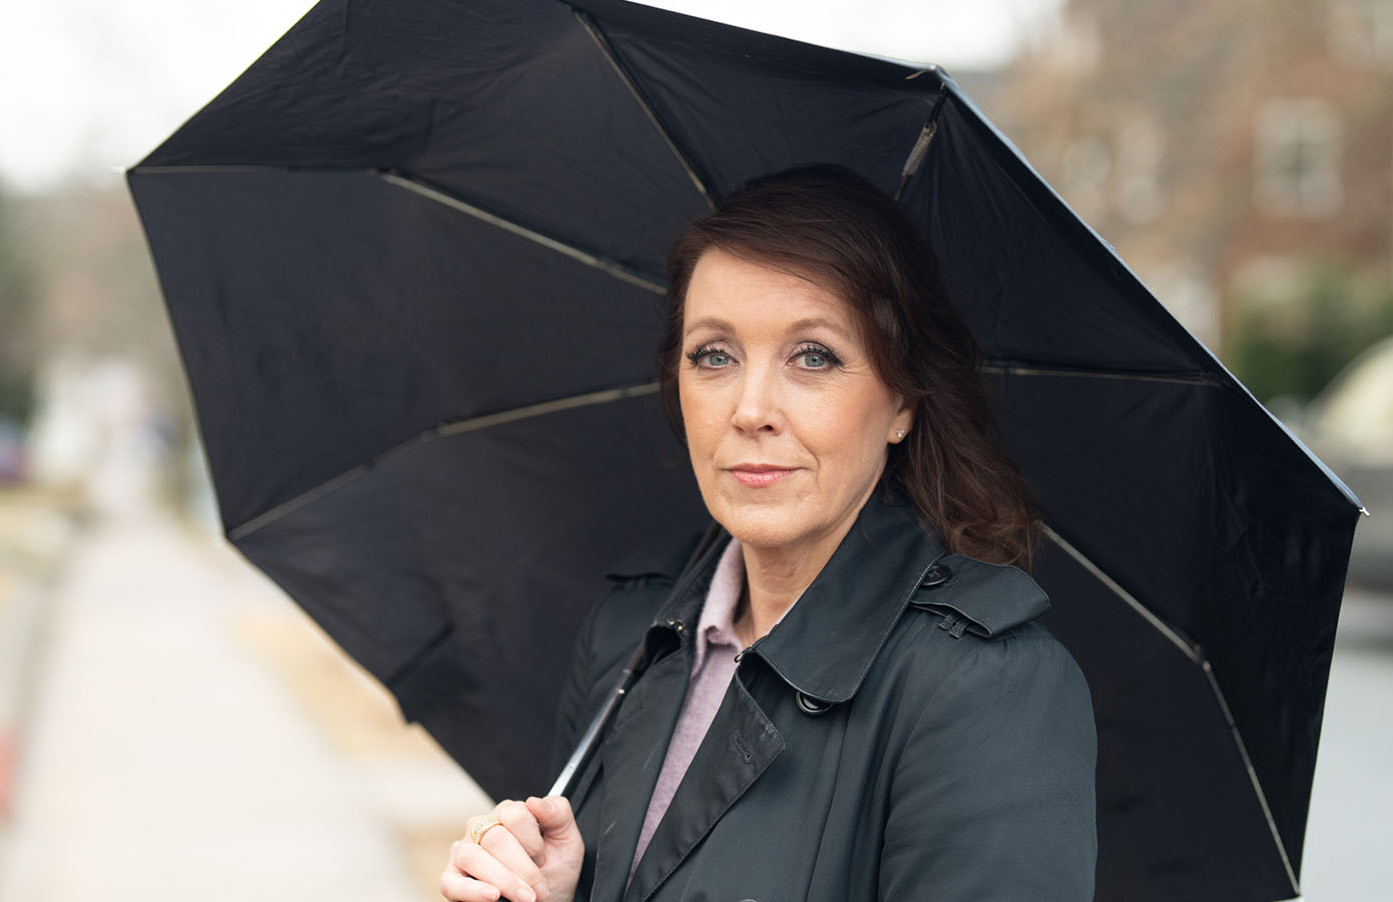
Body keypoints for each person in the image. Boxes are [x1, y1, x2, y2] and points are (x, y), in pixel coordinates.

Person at [438, 165, 1098, 902]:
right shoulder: (633, 634)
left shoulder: (987, 690)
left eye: (813, 356)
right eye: (714, 355)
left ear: (904, 404)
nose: (751, 409)